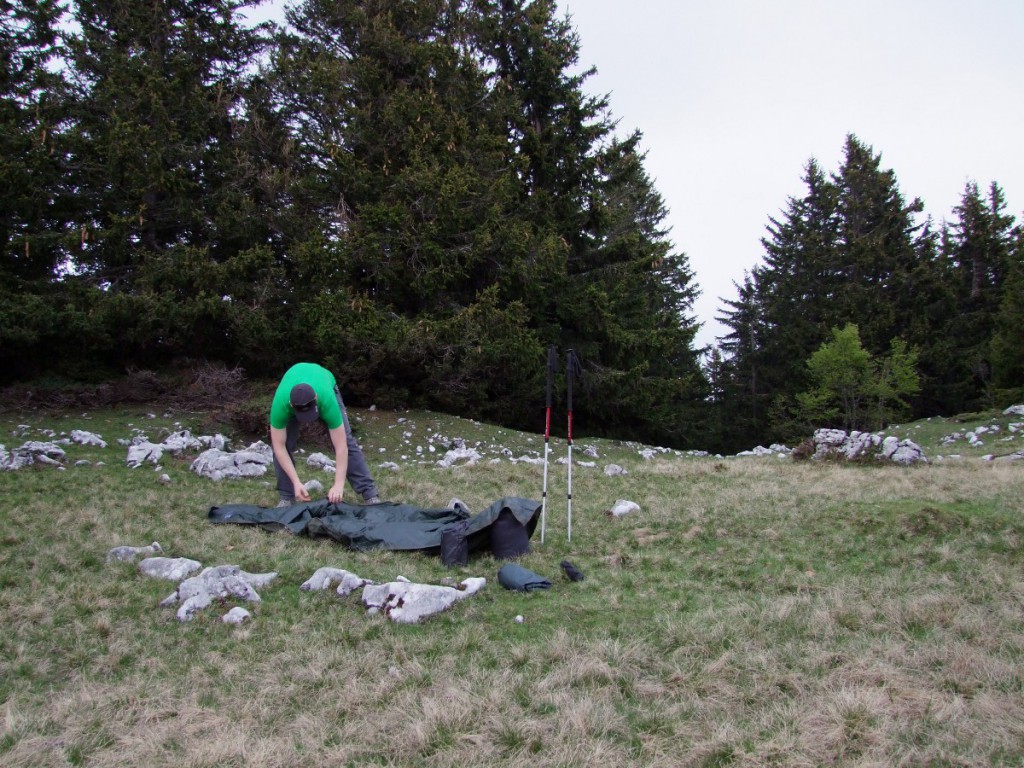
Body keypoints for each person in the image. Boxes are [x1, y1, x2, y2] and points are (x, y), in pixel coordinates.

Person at [269, 362, 381, 507]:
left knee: (347, 440)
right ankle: (286, 496)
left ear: (315, 398)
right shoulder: (281, 405)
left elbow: (341, 446)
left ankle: (369, 493)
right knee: (283, 444)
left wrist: (338, 485)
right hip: (292, 381)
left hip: (325, 380)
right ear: (291, 405)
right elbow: (279, 447)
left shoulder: (327, 399)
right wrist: (296, 482)